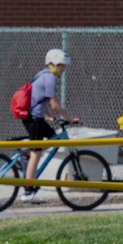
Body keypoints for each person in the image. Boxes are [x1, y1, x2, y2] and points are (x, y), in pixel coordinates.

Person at [20, 49, 82, 203]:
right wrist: (70, 118)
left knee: (54, 139)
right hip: (34, 119)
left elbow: (39, 99)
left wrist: (47, 115)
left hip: (36, 117)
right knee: (37, 153)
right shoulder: (50, 78)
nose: (63, 69)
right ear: (53, 64)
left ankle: (27, 155)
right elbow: (55, 104)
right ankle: (28, 193)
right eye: (61, 65)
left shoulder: (42, 74)